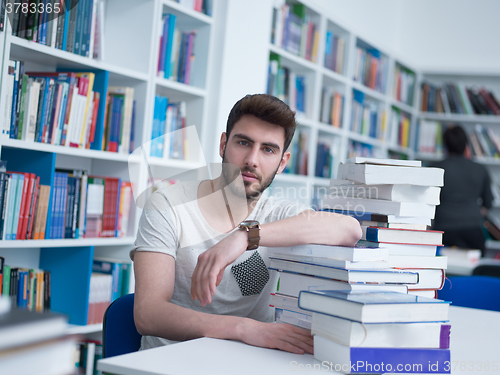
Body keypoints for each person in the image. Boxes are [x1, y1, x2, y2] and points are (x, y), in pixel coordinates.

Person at [130, 94, 362, 354]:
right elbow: (148, 314)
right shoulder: (167, 205)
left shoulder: (278, 215)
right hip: (168, 362)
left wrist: (245, 236)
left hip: (248, 363)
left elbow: (350, 230)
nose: (252, 159)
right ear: (223, 144)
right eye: (243, 142)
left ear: (282, 162)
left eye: (268, 149)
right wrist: (245, 329)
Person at [431, 125, 493, 256]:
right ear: (466, 144)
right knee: (474, 271)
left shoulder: (435, 169)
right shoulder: (480, 169)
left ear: (445, 145)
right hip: (473, 231)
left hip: (443, 230)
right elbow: (488, 203)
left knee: (442, 271)